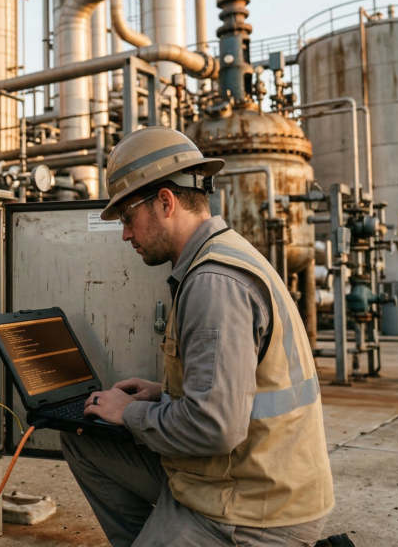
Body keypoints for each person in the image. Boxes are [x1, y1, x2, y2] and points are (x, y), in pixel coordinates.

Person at [60, 126, 339, 546]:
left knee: (107, 420)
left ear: (166, 202)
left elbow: (214, 428)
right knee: (82, 438)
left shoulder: (213, 283)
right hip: (233, 477)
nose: (126, 234)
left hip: (252, 509)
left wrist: (129, 414)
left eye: (128, 217)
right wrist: (161, 393)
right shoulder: (218, 257)